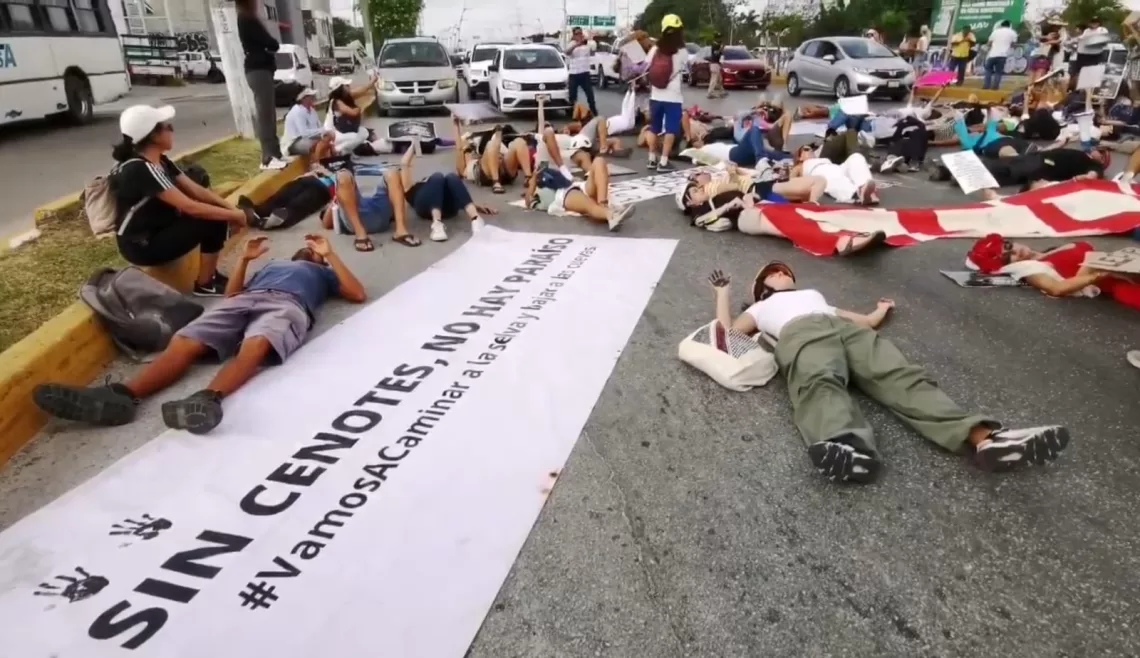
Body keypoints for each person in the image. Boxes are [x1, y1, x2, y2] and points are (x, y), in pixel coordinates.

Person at [706, 263, 1071, 483]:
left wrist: (881, 309)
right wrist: (723, 293)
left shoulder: (816, 295)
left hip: (845, 329)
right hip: (799, 333)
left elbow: (864, 321)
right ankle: (847, 446)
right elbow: (727, 333)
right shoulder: (761, 307)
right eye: (774, 272)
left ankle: (986, 438)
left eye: (786, 270)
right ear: (763, 287)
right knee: (819, 381)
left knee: (903, 377)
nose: (783, 272)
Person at [33, 234, 367, 435]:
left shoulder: (322, 272)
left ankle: (206, 400)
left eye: (313, 251)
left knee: (256, 344)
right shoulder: (274, 265)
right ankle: (122, 395)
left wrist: (329, 255)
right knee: (186, 340)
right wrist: (245, 261)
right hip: (248, 298)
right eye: (307, 250)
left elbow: (357, 293)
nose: (308, 251)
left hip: (286, 305)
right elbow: (231, 295)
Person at [111, 105, 254, 296]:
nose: (172, 129)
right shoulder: (141, 169)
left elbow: (197, 191)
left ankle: (210, 277)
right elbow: (190, 207)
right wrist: (233, 215)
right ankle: (205, 284)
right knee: (211, 218)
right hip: (141, 246)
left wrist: (233, 210)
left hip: (158, 231)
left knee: (214, 211)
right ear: (153, 136)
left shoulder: (160, 161)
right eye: (167, 126)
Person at [967, 235, 1140, 309]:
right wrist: (1102, 273)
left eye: (1009, 246)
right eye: (1007, 258)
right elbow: (1056, 288)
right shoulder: (1030, 268)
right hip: (1123, 284)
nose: (1016, 253)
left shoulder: (1049, 252)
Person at [400, 142, 494, 242]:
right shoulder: (414, 189)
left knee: (451, 177)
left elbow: (457, 193)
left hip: (449, 208)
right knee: (438, 176)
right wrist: (413, 145)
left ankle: (476, 219)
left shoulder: (443, 183)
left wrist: (476, 206)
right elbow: (404, 164)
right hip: (426, 208)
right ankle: (437, 224)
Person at [235, 0, 287, 170]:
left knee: (269, 113)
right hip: (258, 70)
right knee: (265, 114)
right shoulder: (246, 19)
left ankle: (275, 153)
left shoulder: (248, 18)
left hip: (261, 69)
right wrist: (268, 46)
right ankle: (268, 157)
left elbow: (270, 44)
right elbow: (272, 43)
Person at [318, 164, 418, 249]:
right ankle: (360, 234)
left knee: (393, 172)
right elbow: (326, 224)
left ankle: (401, 230)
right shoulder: (337, 206)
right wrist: (335, 201)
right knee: (343, 175)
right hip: (356, 221)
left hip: (379, 211)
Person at [523, 156, 635, 230]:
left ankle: (603, 205)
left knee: (599, 161)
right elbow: (528, 201)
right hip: (564, 195)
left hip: (577, 185)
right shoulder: (536, 190)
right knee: (589, 205)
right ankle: (610, 216)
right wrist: (533, 180)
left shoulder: (547, 173)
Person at [644, 14, 690, 172]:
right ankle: (663, 161)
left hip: (655, 95)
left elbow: (645, 66)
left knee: (653, 127)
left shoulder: (655, 49)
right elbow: (686, 67)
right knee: (671, 129)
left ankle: (651, 159)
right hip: (673, 97)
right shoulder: (682, 51)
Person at [453, 118, 534, 194]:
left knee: (519, 142)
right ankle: (496, 182)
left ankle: (528, 177)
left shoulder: (479, 143)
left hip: (503, 167)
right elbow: (459, 150)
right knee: (491, 144)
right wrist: (456, 127)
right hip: (485, 174)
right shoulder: (466, 163)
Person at [327, 74, 384, 156]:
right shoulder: (337, 102)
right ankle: (337, 150)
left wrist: (372, 81)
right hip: (333, 133)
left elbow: (362, 90)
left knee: (364, 132)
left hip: (341, 130)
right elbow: (353, 113)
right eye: (346, 85)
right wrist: (358, 108)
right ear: (340, 89)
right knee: (355, 137)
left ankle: (346, 151)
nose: (349, 86)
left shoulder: (345, 96)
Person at [282, 87, 334, 161]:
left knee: (327, 138)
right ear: (303, 99)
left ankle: (324, 161)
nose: (313, 98)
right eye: (310, 96)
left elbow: (318, 126)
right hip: (294, 142)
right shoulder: (297, 111)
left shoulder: (312, 110)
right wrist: (322, 131)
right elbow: (304, 133)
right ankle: (316, 162)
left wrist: (324, 132)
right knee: (317, 143)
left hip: (308, 138)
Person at [564, 27, 598, 118]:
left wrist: (589, 39)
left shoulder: (587, 44)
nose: (579, 35)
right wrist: (576, 45)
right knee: (572, 96)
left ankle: (594, 111)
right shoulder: (571, 44)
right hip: (574, 74)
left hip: (584, 73)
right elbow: (567, 52)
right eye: (577, 34)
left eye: (580, 33)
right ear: (574, 35)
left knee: (590, 94)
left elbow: (594, 50)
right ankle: (573, 113)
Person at [1070, 17, 1110, 92]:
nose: (1094, 24)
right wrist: (1075, 40)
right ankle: (1079, 89)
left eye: (1095, 22)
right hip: (1083, 54)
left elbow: (1103, 40)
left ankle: (1091, 90)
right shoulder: (1087, 31)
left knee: (1093, 73)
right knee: (1081, 72)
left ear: (1098, 23)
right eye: (1092, 22)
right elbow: (1081, 38)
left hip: (1095, 54)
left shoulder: (1102, 30)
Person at [985, 20, 1018, 90]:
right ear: (1009, 26)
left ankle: (986, 86)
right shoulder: (1013, 33)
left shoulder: (995, 32)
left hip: (992, 54)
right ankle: (995, 86)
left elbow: (989, 43)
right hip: (1003, 55)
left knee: (988, 70)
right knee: (998, 72)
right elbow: (1013, 45)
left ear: (1001, 25)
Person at [707, 33, 725, 99]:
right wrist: (721, 48)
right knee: (714, 80)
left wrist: (721, 48)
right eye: (719, 37)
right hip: (714, 64)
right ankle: (710, 93)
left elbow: (720, 53)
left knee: (719, 79)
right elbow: (716, 53)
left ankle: (722, 92)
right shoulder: (715, 45)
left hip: (716, 63)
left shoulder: (717, 45)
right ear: (716, 38)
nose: (720, 39)